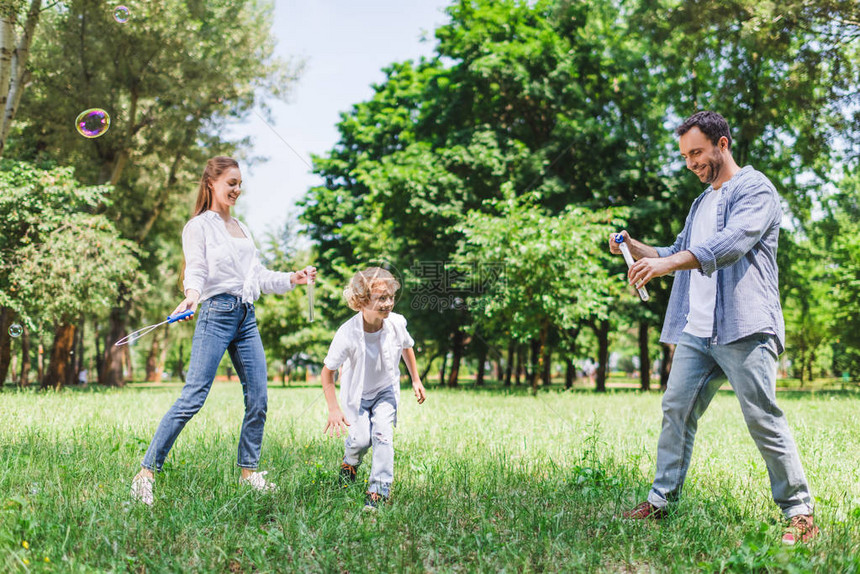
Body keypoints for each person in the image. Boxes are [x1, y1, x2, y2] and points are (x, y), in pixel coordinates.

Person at [609, 111, 817, 544]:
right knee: (676, 409)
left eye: (697, 153)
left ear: (723, 144)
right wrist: (634, 247)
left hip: (744, 326)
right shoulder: (700, 203)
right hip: (697, 331)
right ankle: (661, 501)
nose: (691, 164)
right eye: (685, 156)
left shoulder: (755, 189)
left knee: (762, 417)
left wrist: (668, 260)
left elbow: (730, 244)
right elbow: (677, 252)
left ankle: (799, 513)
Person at [131, 156, 316, 505]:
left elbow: (257, 277)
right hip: (215, 312)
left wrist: (293, 278)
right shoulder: (199, 226)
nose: (237, 189)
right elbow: (197, 270)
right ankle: (145, 474)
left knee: (259, 398)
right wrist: (191, 297)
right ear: (211, 184)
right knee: (193, 397)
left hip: (246, 316)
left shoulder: (243, 228)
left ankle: (249, 474)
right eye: (231, 182)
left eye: (239, 183)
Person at [320, 267, 426, 510]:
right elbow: (327, 372)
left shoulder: (396, 323)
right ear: (362, 301)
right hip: (356, 396)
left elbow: (407, 346)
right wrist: (333, 409)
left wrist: (416, 379)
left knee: (382, 436)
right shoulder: (347, 333)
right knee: (359, 441)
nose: (389, 303)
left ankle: (378, 491)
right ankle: (350, 463)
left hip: (385, 391)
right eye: (381, 298)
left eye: (390, 297)